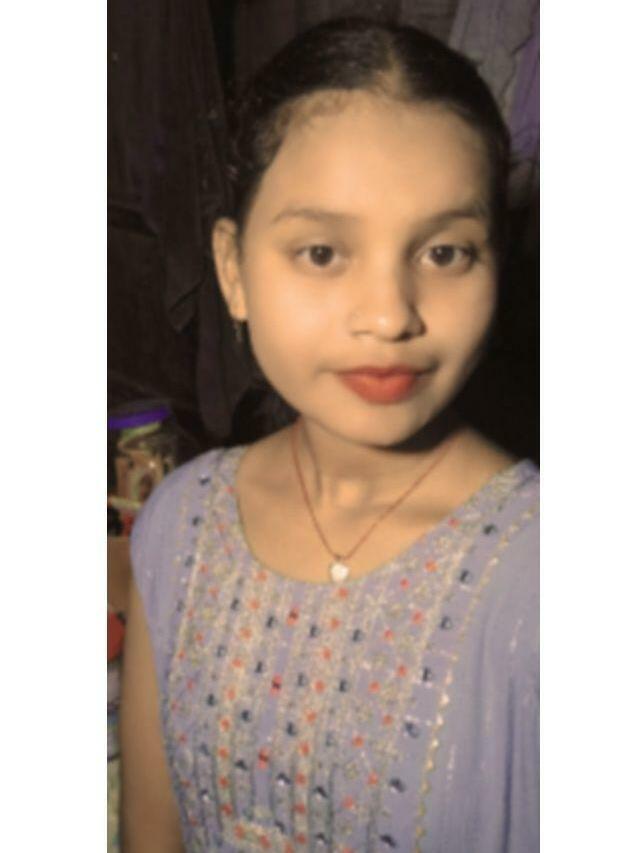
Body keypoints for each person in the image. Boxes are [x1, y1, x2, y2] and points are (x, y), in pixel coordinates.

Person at [120, 17, 539, 853]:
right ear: (233, 270)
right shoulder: (179, 523)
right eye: (321, 252)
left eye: (446, 253)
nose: (389, 315)